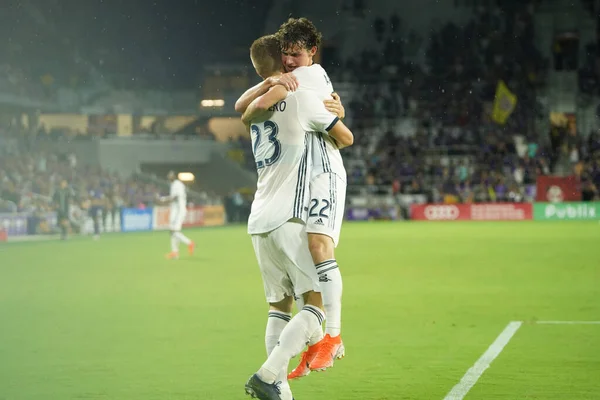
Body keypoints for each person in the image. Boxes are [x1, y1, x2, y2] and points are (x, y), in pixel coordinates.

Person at [241, 35, 353, 400]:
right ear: (287, 62)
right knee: (315, 305)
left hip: (258, 222)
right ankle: (269, 374)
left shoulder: (257, 108)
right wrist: (338, 111)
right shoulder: (300, 97)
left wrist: (269, 82)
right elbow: (343, 137)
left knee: (279, 307)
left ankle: (281, 393)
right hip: (290, 216)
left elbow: (242, 108)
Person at [156, 171, 195, 260]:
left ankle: (189, 243)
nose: (170, 177)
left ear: (174, 176)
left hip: (179, 211)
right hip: (176, 211)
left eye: (171, 175)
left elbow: (175, 197)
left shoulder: (178, 184)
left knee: (174, 231)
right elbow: (174, 197)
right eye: (169, 176)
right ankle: (175, 252)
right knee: (173, 232)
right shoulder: (174, 185)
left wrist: (162, 200)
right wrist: (163, 200)